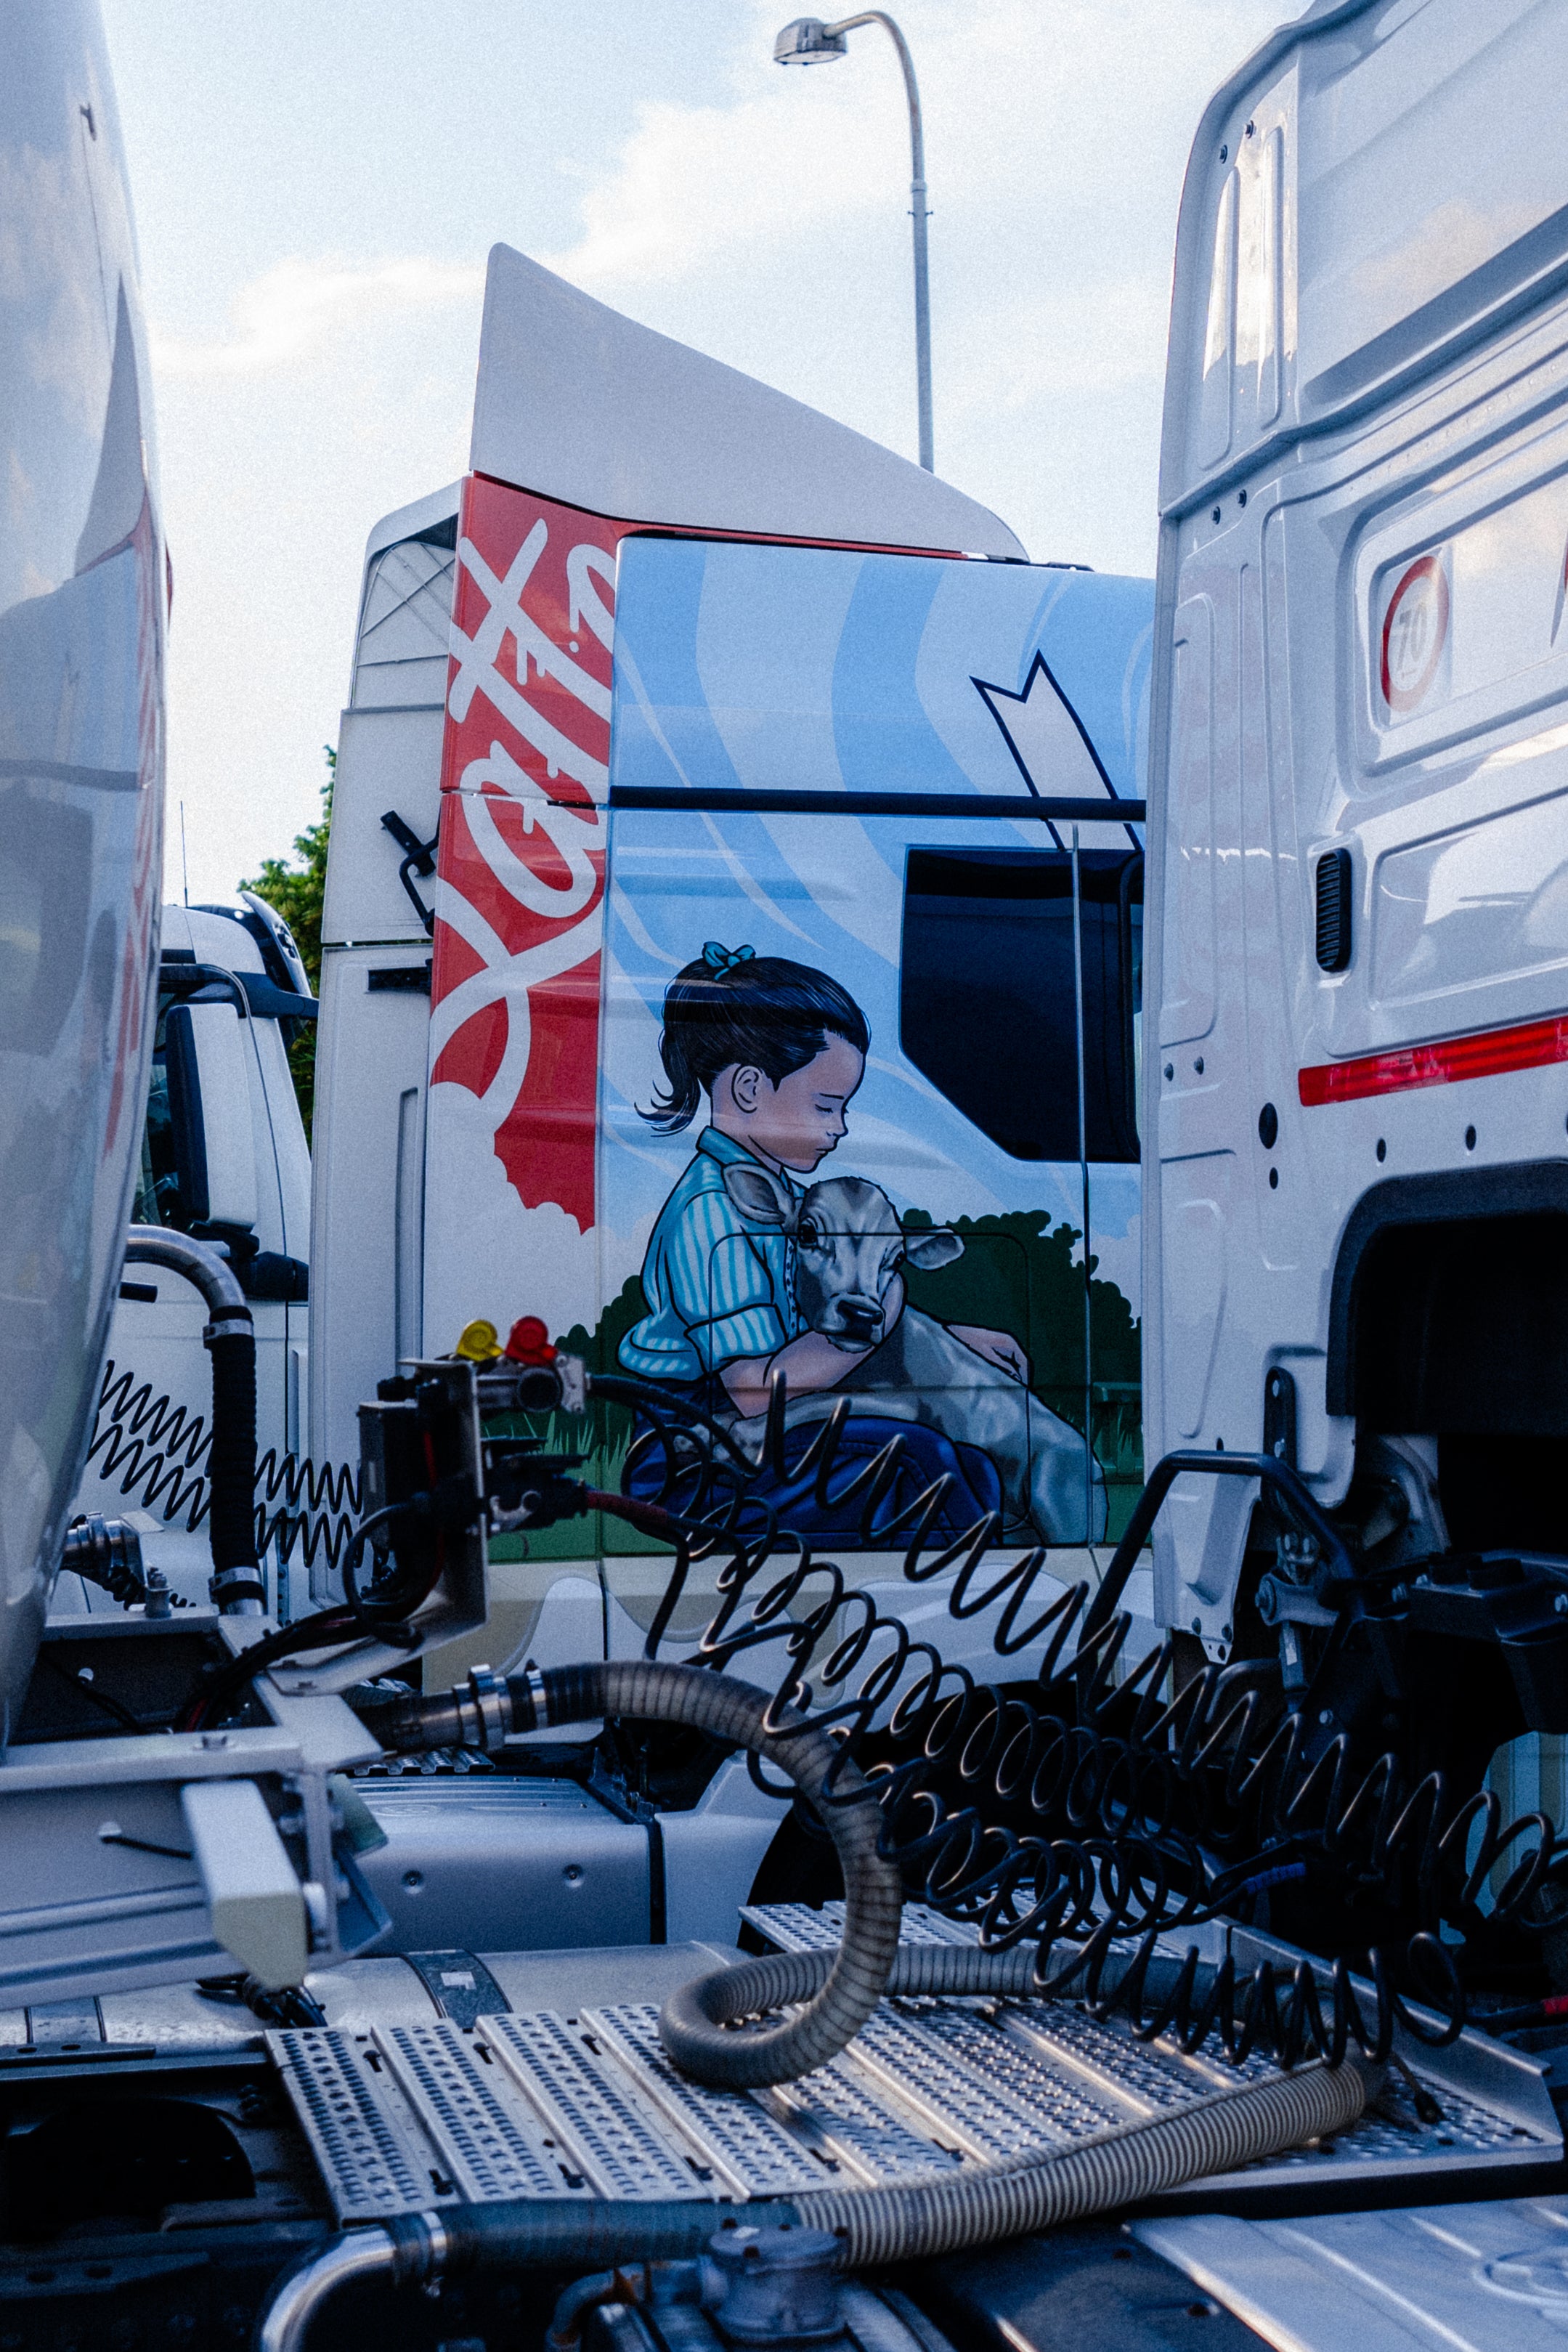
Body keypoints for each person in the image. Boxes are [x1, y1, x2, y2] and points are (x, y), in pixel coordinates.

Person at [620, 948, 1025, 1544]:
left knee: (974, 1468)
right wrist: (884, 1313)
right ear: (750, 1088)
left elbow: (825, 1306)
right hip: (690, 1459)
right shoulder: (713, 1213)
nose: (839, 1128)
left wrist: (948, 1342)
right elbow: (756, 1393)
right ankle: (984, 1594)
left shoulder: (784, 1195)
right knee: (920, 1461)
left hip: (747, 1437)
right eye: (826, 1106)